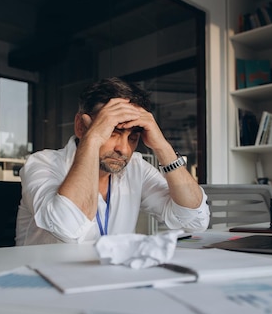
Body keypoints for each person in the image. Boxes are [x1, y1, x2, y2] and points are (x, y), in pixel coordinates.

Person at [16, 77, 209, 245]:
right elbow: (68, 229)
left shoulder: (136, 168)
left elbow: (194, 222)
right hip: (43, 281)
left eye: (133, 138)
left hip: (111, 281)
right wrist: (93, 139)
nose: (123, 149)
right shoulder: (42, 163)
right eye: (112, 133)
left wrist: (162, 147)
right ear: (80, 127)